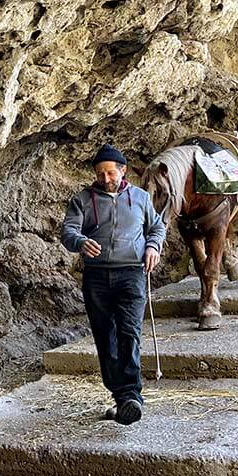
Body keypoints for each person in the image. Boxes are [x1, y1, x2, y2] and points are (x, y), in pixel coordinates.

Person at [60, 144, 166, 425]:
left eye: (110, 173)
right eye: (100, 174)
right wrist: (80, 241)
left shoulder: (141, 198)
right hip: (97, 277)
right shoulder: (82, 199)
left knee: (129, 332)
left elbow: (157, 226)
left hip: (132, 273)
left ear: (123, 170)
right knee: (106, 337)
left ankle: (131, 396)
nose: (106, 179)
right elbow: (68, 231)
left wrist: (153, 246)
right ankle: (122, 398)